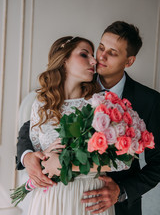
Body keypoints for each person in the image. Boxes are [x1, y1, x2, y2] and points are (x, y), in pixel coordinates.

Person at [16, 21, 160, 215]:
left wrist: (122, 191)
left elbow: (158, 163)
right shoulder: (79, 76)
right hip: (55, 197)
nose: (100, 57)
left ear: (129, 61)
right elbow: (33, 125)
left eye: (113, 53)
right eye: (100, 48)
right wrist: (27, 156)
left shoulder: (149, 101)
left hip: (112, 202)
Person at [19, 35, 124, 215]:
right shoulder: (41, 105)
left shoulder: (100, 104)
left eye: (93, 55)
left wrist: (66, 165)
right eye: (84, 55)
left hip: (90, 197)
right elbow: (38, 158)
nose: (94, 61)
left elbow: (121, 162)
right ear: (64, 59)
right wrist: (40, 157)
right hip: (50, 198)